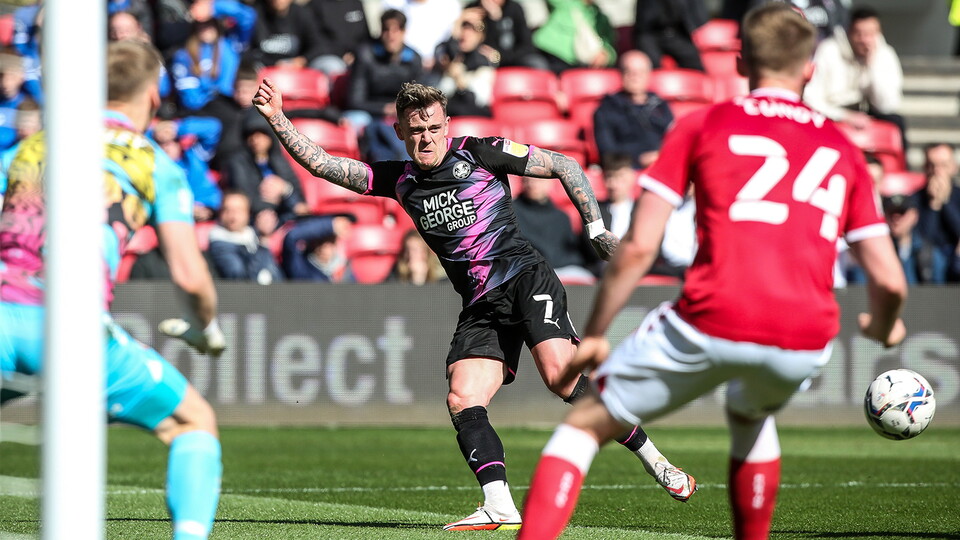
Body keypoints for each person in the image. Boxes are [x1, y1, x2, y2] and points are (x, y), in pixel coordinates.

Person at [517, 5, 908, 540]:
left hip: (715, 313)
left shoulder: (704, 123)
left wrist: (598, 333)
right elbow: (889, 280)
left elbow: (636, 248)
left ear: (742, 62)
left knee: (583, 425)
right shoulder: (843, 148)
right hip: (805, 337)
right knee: (751, 414)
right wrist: (885, 328)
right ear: (810, 68)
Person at [253, 78, 697, 531]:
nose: (425, 137)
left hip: (525, 277)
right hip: (481, 303)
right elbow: (326, 165)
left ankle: (654, 459)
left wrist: (596, 229)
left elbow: (563, 164)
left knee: (561, 379)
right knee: (462, 396)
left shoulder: (480, 152)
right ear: (401, 134)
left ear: (446, 125)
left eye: (432, 126)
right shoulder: (400, 180)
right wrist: (277, 119)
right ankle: (499, 504)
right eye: (415, 130)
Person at [0, 40, 226, 540]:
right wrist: (207, 326)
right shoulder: (155, 163)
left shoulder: (30, 146)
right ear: (151, 96)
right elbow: (190, 277)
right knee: (192, 421)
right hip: (68, 331)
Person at [803, 7, 905, 141]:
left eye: (870, 34)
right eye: (859, 34)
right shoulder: (828, 51)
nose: (864, 40)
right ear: (849, 32)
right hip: (833, 113)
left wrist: (872, 65)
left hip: (869, 112)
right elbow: (811, 98)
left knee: (897, 123)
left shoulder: (885, 54)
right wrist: (845, 116)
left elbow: (887, 105)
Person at [345, 9, 423, 161]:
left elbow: (418, 99)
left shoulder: (414, 59)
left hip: (400, 113)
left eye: (397, 30)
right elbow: (354, 100)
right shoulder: (365, 55)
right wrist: (385, 109)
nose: (391, 35)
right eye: (386, 29)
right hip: (368, 113)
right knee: (355, 119)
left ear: (404, 31)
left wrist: (398, 109)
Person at [223, 112, 310, 226]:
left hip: (284, 214)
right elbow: (244, 196)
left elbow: (296, 192)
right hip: (255, 219)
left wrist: (285, 190)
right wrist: (274, 204)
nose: (255, 140)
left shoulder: (279, 161)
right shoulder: (237, 162)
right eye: (251, 135)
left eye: (261, 134)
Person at [593, 50, 674, 170]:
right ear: (621, 74)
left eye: (640, 72)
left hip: (662, 167)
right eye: (629, 71)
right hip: (626, 170)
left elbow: (673, 138)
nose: (635, 77)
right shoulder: (606, 109)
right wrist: (640, 158)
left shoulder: (660, 106)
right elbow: (607, 152)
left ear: (649, 74)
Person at [513, 175, 596, 283]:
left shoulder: (561, 217)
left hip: (566, 269)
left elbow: (571, 250)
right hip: (531, 269)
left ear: (550, 183)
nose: (532, 184)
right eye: (527, 180)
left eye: (537, 180)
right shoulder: (512, 212)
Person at [151, 115, 224, 222]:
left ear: (179, 143)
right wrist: (154, 132)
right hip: (171, 219)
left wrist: (177, 128)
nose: (166, 147)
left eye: (171, 141)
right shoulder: (152, 166)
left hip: (207, 215)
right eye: (161, 143)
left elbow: (214, 127)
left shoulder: (195, 155)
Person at [209, 190, 284, 284]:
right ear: (221, 213)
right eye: (227, 210)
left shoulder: (254, 235)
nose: (233, 216)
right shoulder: (220, 245)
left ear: (248, 213)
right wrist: (263, 242)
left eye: (238, 210)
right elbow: (244, 282)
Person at [433, 11, 499, 117]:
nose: (466, 34)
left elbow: (474, 102)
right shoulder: (451, 57)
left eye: (474, 30)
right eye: (463, 27)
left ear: (481, 36)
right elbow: (444, 49)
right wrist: (458, 21)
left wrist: (459, 79)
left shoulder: (483, 62)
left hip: (475, 119)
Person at [532, 0, 618, 73]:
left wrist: (606, 56)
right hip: (553, 56)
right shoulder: (565, 4)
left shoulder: (600, 17)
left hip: (584, 64)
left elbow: (609, 44)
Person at [916, 142, 960, 283]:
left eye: (943, 165)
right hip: (927, 262)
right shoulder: (915, 199)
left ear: (954, 168)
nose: (937, 171)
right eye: (932, 165)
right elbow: (924, 237)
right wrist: (934, 205)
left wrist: (945, 202)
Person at [464, 0, 548, 69]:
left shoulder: (514, 9)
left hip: (514, 58)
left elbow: (526, 46)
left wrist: (500, 57)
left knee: (537, 63)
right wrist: (491, 20)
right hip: (483, 62)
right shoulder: (473, 10)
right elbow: (480, 46)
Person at [632, 0, 707, 71]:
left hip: (676, 34)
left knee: (694, 62)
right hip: (650, 33)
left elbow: (697, 18)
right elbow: (646, 18)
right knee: (651, 64)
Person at [305, 0, 371, 78]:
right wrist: (341, 55)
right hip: (327, 57)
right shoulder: (315, 5)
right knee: (335, 69)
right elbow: (317, 41)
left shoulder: (356, 3)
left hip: (356, 56)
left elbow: (366, 37)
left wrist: (356, 55)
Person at [281, 215, 356, 281]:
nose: (325, 246)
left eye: (330, 241)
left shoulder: (344, 268)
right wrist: (330, 225)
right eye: (320, 241)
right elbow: (291, 237)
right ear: (311, 242)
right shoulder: (302, 269)